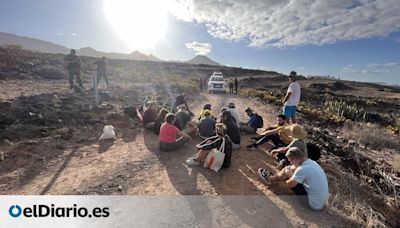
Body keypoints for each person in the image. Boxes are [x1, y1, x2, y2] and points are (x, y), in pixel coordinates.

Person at [258, 147, 329, 211]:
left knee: (290, 175)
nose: (290, 162)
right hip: (320, 202)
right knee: (291, 170)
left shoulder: (302, 169)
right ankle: (274, 176)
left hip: (312, 204)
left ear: (294, 159)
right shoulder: (311, 162)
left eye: (290, 160)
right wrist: (290, 171)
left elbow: (289, 185)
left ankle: (270, 178)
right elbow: (295, 168)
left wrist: (290, 174)